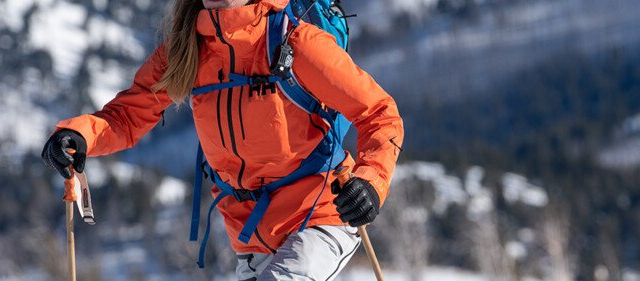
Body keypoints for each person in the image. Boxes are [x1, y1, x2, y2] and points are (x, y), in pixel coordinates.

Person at [40, 0, 404, 279]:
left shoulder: (295, 43)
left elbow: (379, 112)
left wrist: (370, 183)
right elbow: (127, 116)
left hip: (321, 215)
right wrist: (79, 135)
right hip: (250, 237)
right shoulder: (189, 49)